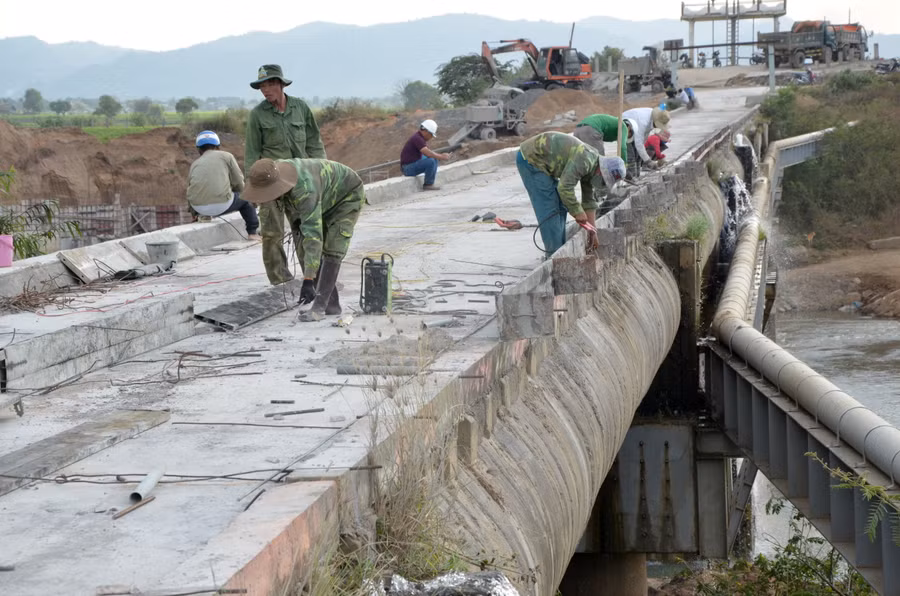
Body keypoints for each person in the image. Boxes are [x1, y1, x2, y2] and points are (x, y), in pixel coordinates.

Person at [243, 158, 365, 322]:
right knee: (302, 237)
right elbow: (300, 230)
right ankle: (332, 305)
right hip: (323, 196)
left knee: (333, 246)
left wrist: (308, 280)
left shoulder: (304, 190)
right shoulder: (270, 174)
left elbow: (313, 237)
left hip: (347, 195)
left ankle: (320, 307)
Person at [245, 64, 327, 285]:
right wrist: (252, 188)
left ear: (280, 84)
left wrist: (323, 173)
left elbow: (314, 143)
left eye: (269, 84)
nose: (265, 90)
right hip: (270, 182)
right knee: (272, 233)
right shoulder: (257, 115)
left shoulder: (300, 108)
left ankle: (312, 277)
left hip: (300, 180)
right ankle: (280, 280)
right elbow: (252, 153)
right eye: (261, 86)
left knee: (305, 229)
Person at [517, 131, 626, 256]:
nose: (602, 184)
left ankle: (559, 250)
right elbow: (564, 188)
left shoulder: (592, 167)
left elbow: (588, 201)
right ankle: (554, 256)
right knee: (550, 209)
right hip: (531, 159)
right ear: (601, 172)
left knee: (561, 207)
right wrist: (577, 211)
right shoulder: (585, 161)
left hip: (544, 163)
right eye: (604, 181)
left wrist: (593, 231)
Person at [186, 130, 260, 240]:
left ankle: (202, 215)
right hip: (221, 205)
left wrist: (194, 213)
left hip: (198, 209)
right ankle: (252, 233)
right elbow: (239, 182)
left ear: (199, 149)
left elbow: (190, 188)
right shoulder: (227, 156)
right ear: (217, 146)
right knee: (245, 199)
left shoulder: (195, 163)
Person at [400, 119, 450, 191]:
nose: (431, 137)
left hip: (411, 163)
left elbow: (428, 153)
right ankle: (428, 184)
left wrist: (439, 156)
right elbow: (428, 153)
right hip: (407, 168)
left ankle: (430, 183)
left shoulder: (419, 137)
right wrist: (442, 156)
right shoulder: (417, 138)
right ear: (426, 131)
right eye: (431, 135)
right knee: (431, 161)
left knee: (433, 159)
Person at [622, 106, 670, 174]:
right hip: (625, 127)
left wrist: (645, 157)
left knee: (638, 156)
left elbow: (644, 138)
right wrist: (648, 161)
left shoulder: (653, 116)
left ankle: (636, 176)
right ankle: (630, 177)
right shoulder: (643, 122)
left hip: (635, 128)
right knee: (631, 156)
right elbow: (639, 144)